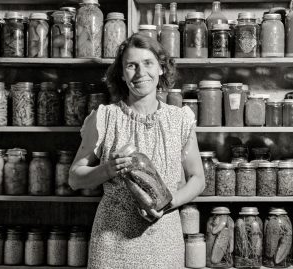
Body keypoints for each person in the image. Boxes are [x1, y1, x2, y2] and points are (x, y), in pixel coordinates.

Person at [69, 33, 205, 269]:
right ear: (122, 74)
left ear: (161, 69)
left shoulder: (180, 119)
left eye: (148, 63)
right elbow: (74, 178)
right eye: (131, 66)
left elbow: (197, 178)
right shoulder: (104, 118)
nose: (141, 73)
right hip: (112, 243)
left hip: (164, 243)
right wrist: (107, 169)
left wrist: (167, 205)